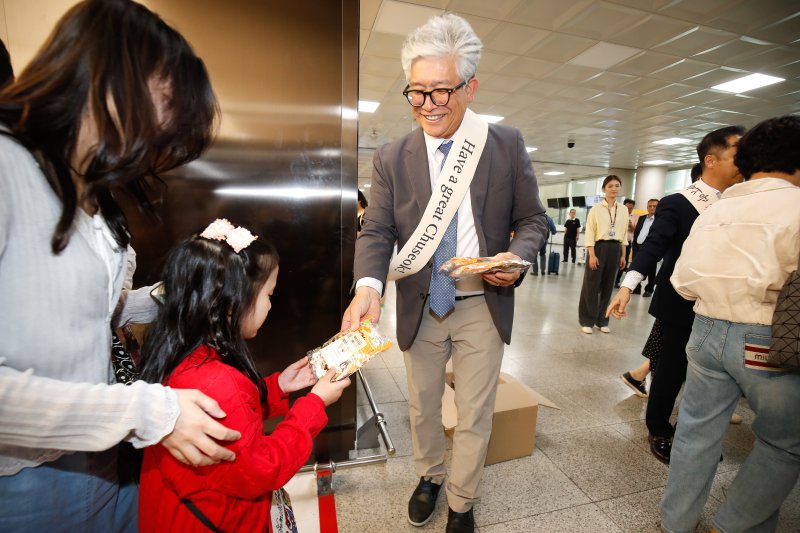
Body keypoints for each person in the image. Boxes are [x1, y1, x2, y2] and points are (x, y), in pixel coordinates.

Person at [0, 1, 241, 530]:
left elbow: (88, 311)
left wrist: (183, 288)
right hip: (24, 483)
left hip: (104, 455)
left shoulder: (92, 192)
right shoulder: (7, 173)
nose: (165, 133)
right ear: (113, 79)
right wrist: (143, 413)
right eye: (166, 103)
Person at [342, 14, 547, 533]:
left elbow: (533, 220)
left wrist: (514, 259)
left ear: (470, 87)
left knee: (476, 413)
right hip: (420, 303)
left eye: (442, 91)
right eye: (417, 92)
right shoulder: (393, 155)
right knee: (421, 406)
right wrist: (368, 285)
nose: (428, 105)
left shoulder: (503, 143)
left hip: (482, 302)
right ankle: (429, 476)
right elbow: (377, 229)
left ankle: (461, 500)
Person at [138, 220, 349, 532]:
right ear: (230, 304)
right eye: (268, 294)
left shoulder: (185, 352)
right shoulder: (217, 381)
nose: (270, 305)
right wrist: (315, 403)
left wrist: (277, 387)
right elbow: (262, 468)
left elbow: (229, 421)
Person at [661, 115, 800, 533]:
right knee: (785, 441)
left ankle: (675, 522)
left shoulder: (718, 210)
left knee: (694, 432)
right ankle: (733, 523)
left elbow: (682, 282)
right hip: (766, 338)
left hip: (703, 331)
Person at [606, 125, 746, 465]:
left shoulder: (742, 201)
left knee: (714, 373)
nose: (746, 161)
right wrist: (628, 285)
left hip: (725, 304)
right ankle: (658, 427)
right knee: (671, 368)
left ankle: (694, 431)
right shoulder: (679, 203)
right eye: (737, 154)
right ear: (711, 160)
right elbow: (654, 247)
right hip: (681, 302)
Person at [578, 175, 628, 334]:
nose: (614, 189)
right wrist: (592, 255)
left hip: (615, 248)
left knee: (608, 286)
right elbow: (590, 233)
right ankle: (587, 320)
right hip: (598, 248)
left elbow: (624, 234)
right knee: (591, 286)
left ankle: (602, 320)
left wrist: (623, 255)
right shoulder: (596, 209)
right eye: (610, 186)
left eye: (617, 186)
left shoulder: (624, 209)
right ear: (604, 189)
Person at [630, 198, 659, 296]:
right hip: (637, 247)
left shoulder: (660, 220)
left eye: (654, 206)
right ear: (647, 207)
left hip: (650, 248)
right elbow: (637, 231)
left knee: (651, 270)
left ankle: (649, 289)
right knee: (636, 268)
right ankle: (637, 288)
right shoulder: (642, 218)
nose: (652, 208)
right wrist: (634, 245)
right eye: (650, 206)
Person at [614, 198, 636, 288]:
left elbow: (635, 230)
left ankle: (617, 281)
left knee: (623, 262)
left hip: (627, 243)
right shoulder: (617, 216)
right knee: (613, 261)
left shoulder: (635, 217)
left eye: (631, 208)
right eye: (627, 208)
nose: (628, 210)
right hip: (616, 242)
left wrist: (630, 225)